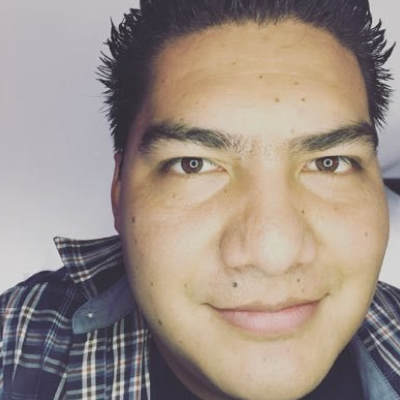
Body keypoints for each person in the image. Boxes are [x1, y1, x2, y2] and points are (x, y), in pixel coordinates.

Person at [1, 0, 399, 399]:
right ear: (119, 190)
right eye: (193, 164)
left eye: (330, 162)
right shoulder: (15, 343)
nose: (272, 254)